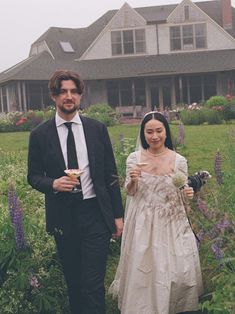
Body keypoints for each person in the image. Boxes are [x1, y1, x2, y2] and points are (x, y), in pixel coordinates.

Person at [27, 70, 124, 314]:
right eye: (62, 92)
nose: (68, 96)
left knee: (92, 283)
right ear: (53, 96)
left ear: (80, 96)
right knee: (74, 282)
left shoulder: (96, 129)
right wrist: (53, 184)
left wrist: (117, 215)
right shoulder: (39, 135)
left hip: (95, 214)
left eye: (73, 91)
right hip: (63, 216)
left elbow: (111, 175)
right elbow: (33, 176)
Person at [109, 111, 203, 314]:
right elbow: (131, 191)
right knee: (145, 266)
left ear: (166, 132)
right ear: (143, 134)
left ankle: (174, 304)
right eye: (149, 132)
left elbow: (183, 193)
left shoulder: (179, 161)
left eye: (159, 131)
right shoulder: (135, 158)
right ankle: (143, 306)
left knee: (175, 267)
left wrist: (188, 192)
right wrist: (133, 178)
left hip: (171, 219)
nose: (154, 136)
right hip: (143, 220)